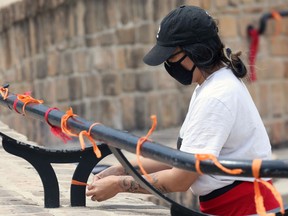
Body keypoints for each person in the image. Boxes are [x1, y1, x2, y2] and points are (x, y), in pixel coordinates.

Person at [86, 5, 279, 215]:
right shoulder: (213, 83)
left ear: (196, 51)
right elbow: (183, 156)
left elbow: (181, 179)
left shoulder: (217, 96)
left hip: (244, 209)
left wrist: (120, 184)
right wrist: (124, 168)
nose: (168, 63)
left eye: (172, 56)